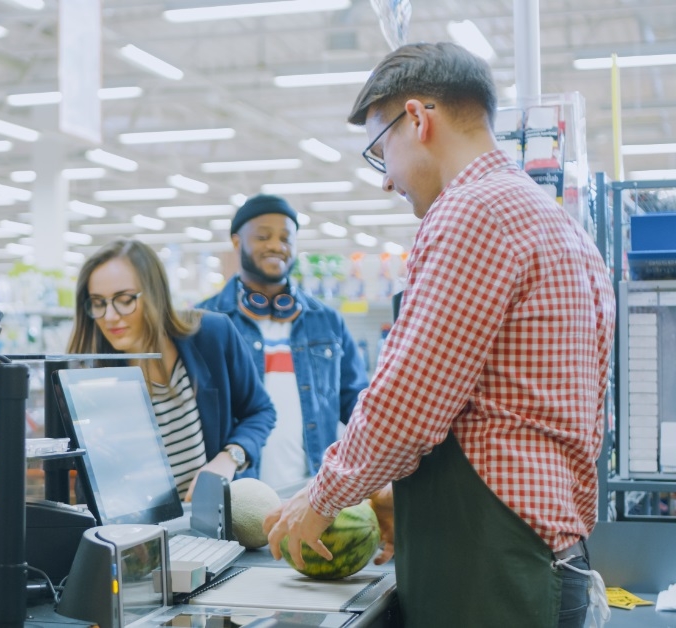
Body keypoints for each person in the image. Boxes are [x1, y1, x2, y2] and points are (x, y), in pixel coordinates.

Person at [263, 42, 614, 628]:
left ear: (419, 119)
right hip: (538, 554)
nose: (386, 182)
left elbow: (407, 402)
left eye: (380, 153)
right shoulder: (554, 220)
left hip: (493, 571)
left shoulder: (471, 211)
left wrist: (321, 498)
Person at [68, 239, 275, 498]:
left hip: (213, 523)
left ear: (155, 294)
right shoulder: (93, 379)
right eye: (98, 303)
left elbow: (259, 411)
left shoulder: (211, 336)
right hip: (138, 531)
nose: (110, 316)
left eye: (124, 299)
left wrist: (228, 458)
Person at [198, 194, 369, 490]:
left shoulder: (326, 320)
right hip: (239, 493)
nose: (276, 245)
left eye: (286, 238)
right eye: (263, 236)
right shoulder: (206, 321)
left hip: (314, 492)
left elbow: (356, 404)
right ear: (237, 243)